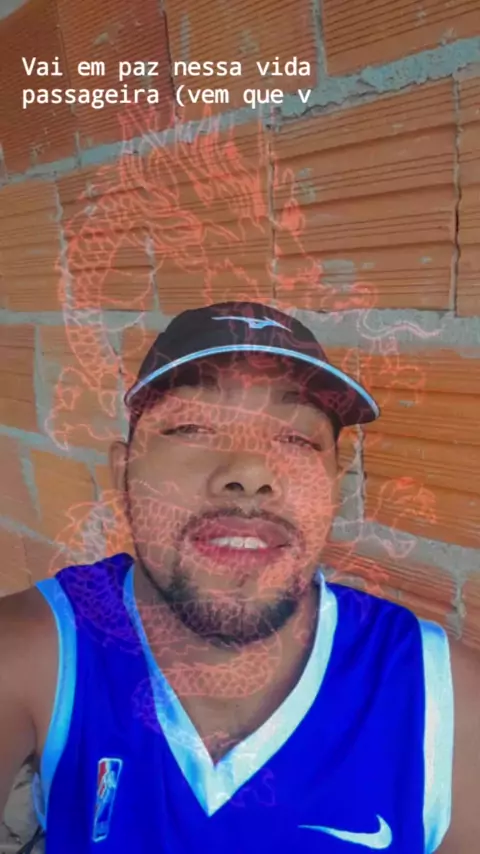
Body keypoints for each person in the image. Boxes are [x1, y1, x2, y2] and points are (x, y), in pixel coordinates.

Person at [0, 300, 478, 854]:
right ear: (123, 472)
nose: (250, 473)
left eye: (297, 439)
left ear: (334, 483)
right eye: (191, 427)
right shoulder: (38, 648)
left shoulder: (443, 697)